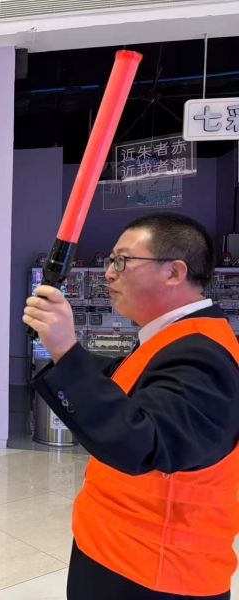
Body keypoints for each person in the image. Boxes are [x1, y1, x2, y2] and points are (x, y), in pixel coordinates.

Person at [24, 213, 239, 600]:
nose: (108, 273)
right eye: (111, 261)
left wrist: (67, 350)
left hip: (157, 572)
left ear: (174, 272)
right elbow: (120, 382)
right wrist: (63, 354)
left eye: (122, 261)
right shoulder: (173, 339)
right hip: (121, 552)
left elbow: (142, 442)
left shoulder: (203, 354)